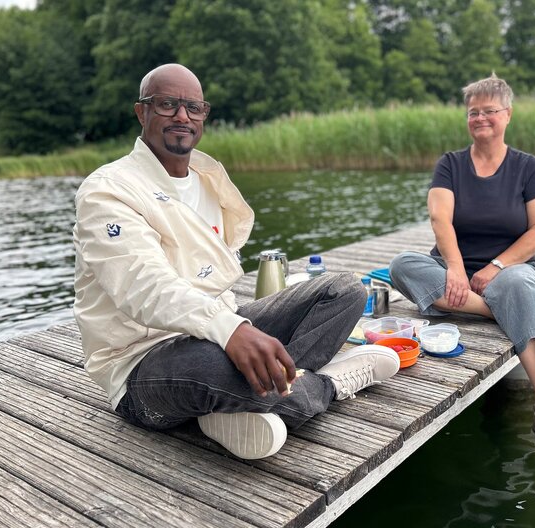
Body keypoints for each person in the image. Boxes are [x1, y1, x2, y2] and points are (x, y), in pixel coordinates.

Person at [73, 63, 399, 460]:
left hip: (221, 325)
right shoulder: (107, 190)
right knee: (211, 366)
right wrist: (230, 331)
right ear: (142, 112)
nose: (182, 116)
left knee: (345, 290)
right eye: (167, 104)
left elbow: (218, 296)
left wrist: (233, 327)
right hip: (142, 362)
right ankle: (326, 385)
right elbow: (142, 285)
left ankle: (243, 400)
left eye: (194, 107)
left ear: (203, 116)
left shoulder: (207, 180)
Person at [389, 74, 535, 451]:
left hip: (510, 271)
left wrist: (497, 266)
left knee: (520, 285)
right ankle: (511, 311)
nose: (480, 118)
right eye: (473, 112)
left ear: (507, 114)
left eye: (489, 110)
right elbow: (440, 218)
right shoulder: (450, 164)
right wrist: (456, 268)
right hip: (451, 271)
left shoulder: (528, 167)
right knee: (401, 265)